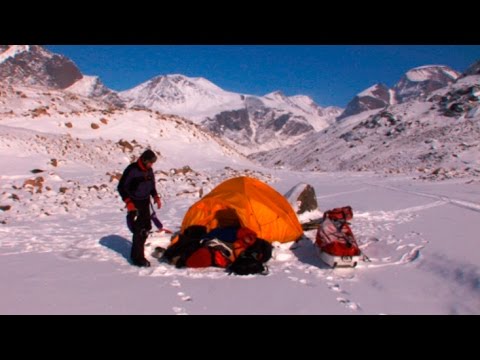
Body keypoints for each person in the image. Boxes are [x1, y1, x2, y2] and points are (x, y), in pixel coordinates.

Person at [117, 149, 162, 267]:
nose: (151, 165)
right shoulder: (132, 170)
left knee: (146, 227)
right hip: (134, 203)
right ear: (144, 160)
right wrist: (128, 202)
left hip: (145, 202)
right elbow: (121, 187)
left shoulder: (149, 170)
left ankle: (140, 248)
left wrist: (155, 196)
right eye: (150, 162)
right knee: (139, 230)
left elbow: (152, 186)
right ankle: (137, 258)